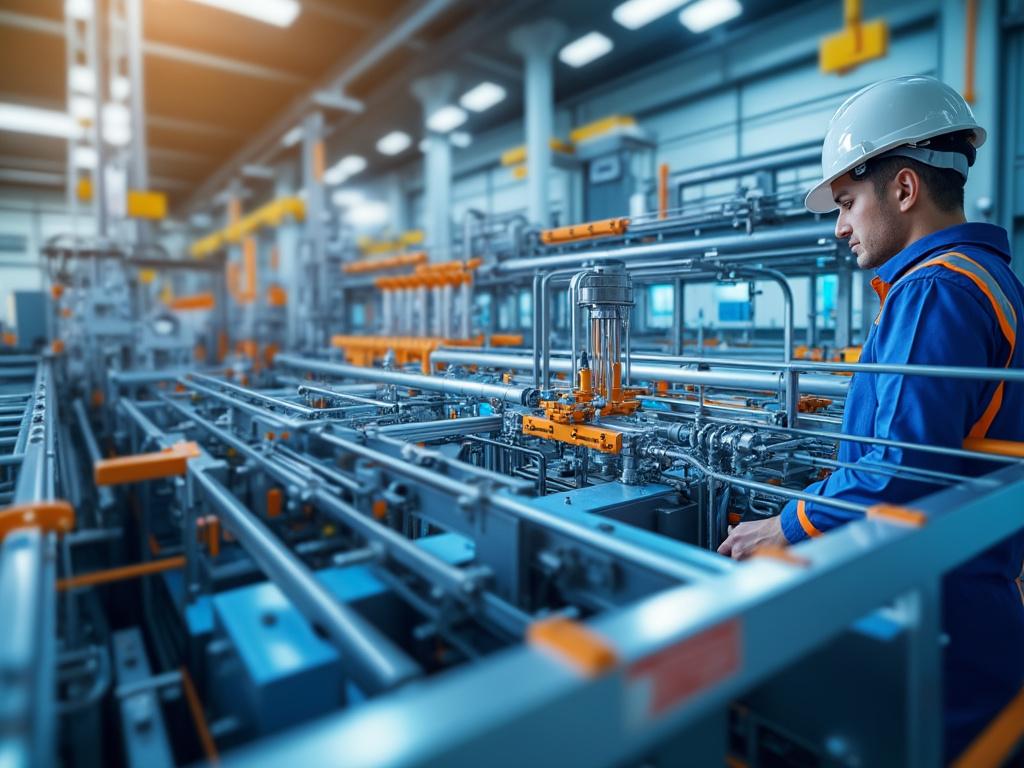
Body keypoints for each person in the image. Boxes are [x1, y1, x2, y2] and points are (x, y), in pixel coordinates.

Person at [716, 75, 1024, 761]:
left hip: (944, 605)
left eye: (849, 201)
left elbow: (899, 469)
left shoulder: (937, 288)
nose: (839, 226)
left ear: (905, 189)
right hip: (977, 587)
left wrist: (787, 526)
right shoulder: (986, 278)